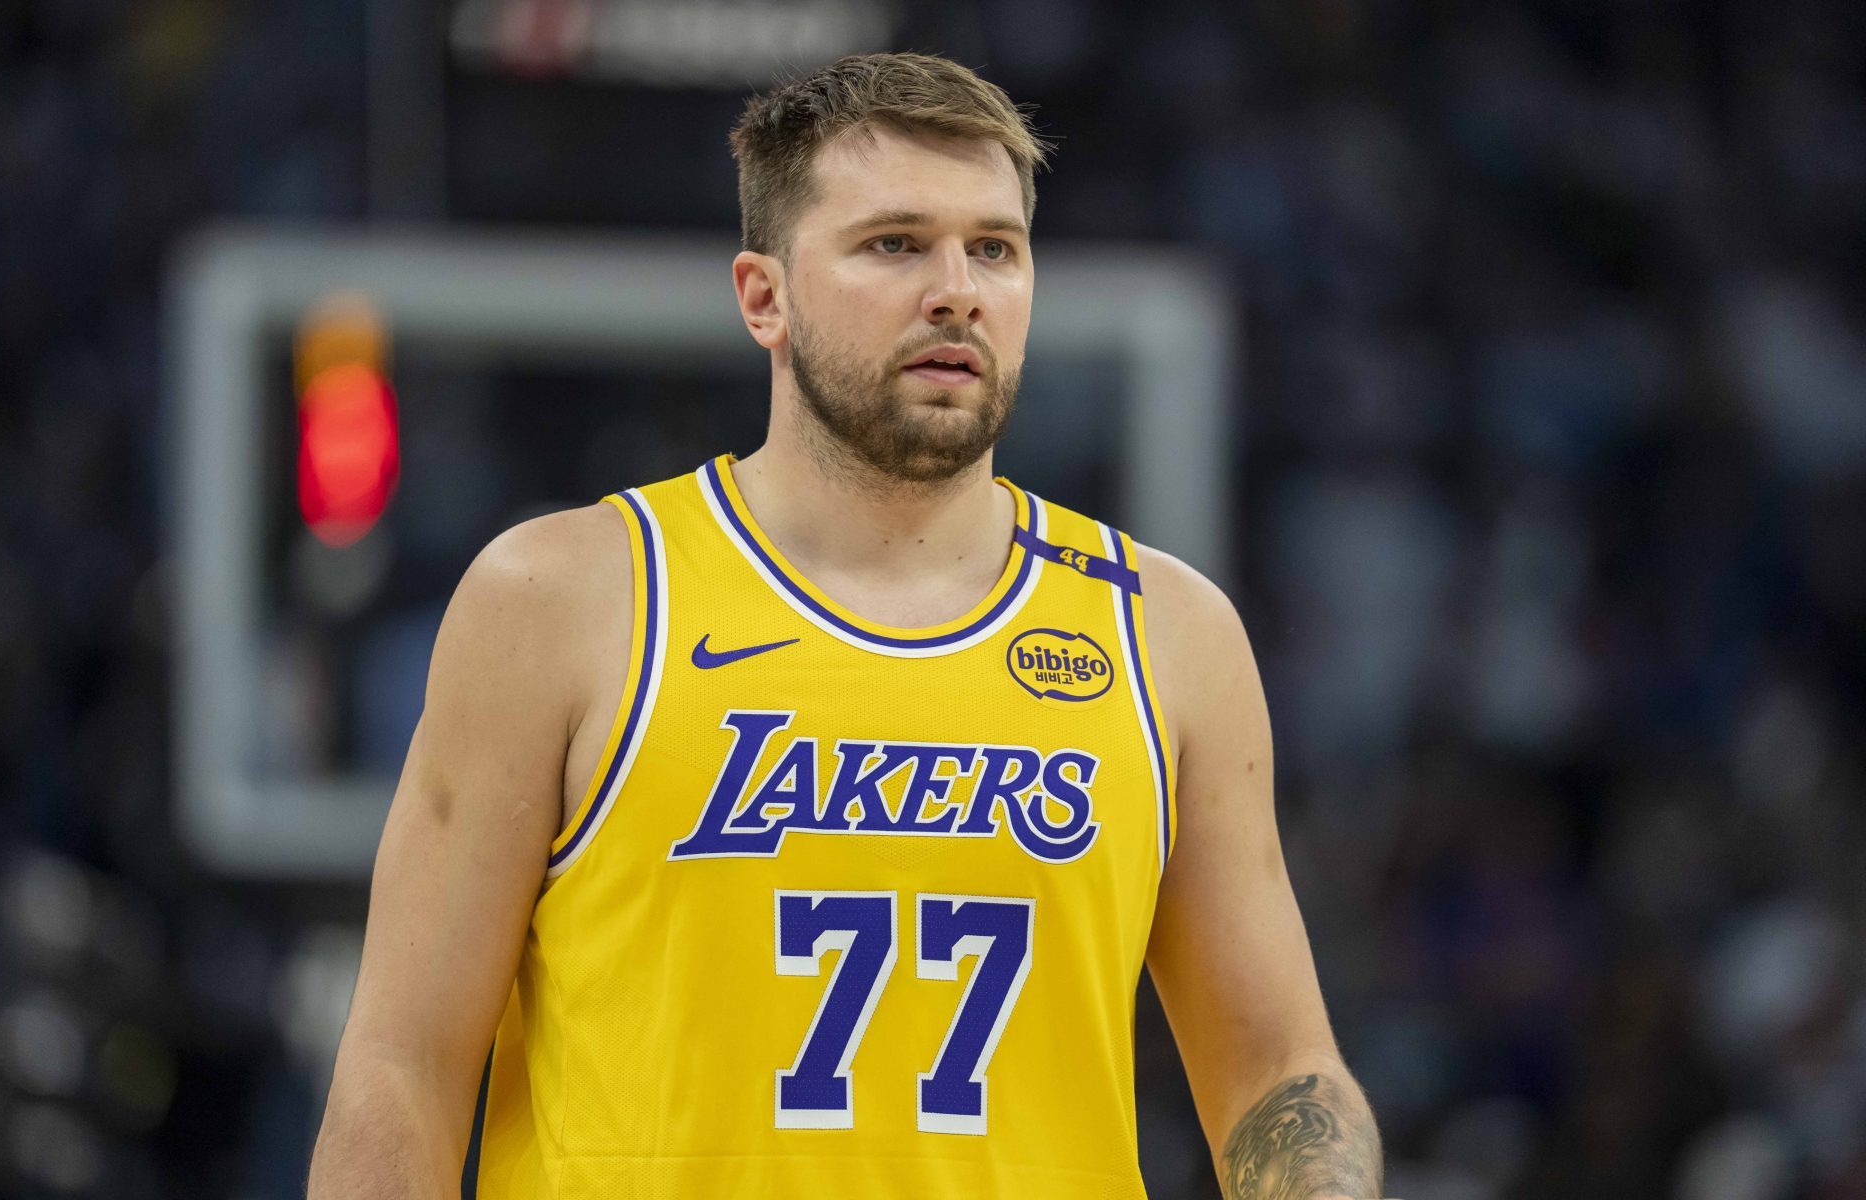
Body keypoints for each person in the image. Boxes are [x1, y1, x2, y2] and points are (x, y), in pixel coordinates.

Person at [307, 51, 1382, 1200]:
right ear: (762, 296)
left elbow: (1278, 1071)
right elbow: (402, 1070)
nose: (957, 288)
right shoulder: (563, 600)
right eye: (895, 243)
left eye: (995, 249)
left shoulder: (1165, 633)